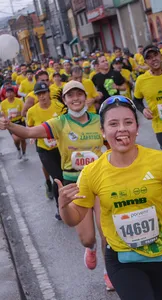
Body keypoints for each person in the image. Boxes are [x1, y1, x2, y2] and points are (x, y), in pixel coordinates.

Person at [56, 95, 162, 300]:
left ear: (137, 127)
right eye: (113, 124)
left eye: (128, 122)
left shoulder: (160, 161)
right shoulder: (91, 173)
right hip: (122, 258)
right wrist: (63, 206)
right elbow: (74, 218)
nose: (121, 129)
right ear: (103, 132)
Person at [0, 80, 113, 290]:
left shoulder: (99, 120)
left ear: (84, 96)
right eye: (71, 96)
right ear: (65, 100)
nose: (76, 99)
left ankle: (109, 273)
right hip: (74, 185)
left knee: (106, 229)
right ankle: (91, 248)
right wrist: (10, 126)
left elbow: (115, 141)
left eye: (79, 94)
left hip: (100, 180)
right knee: (87, 238)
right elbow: (30, 133)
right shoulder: (59, 123)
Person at [26, 82, 65, 219]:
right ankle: (59, 208)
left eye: (44, 93)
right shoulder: (32, 111)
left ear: (49, 93)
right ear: (36, 96)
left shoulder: (59, 106)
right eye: (39, 94)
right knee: (58, 178)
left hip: (61, 147)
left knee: (66, 176)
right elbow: (29, 126)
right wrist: (33, 136)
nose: (42, 96)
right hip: (44, 149)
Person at [0, 87, 27, 160]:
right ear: (5, 94)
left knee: (23, 139)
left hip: (20, 122)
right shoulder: (3, 103)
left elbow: (23, 112)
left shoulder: (19, 101)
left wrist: (17, 114)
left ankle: (24, 153)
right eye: (8, 92)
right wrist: (6, 118)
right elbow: (2, 114)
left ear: (14, 93)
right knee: (16, 139)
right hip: (11, 124)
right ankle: (18, 149)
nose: (10, 94)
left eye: (11, 92)